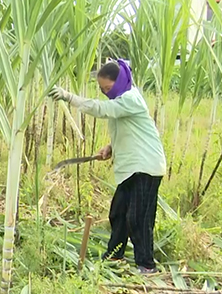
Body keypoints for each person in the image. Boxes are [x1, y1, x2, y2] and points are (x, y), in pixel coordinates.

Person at [50, 59, 166, 274]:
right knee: (118, 213)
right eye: (102, 90)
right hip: (131, 166)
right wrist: (110, 147)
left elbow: (102, 109)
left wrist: (68, 97)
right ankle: (114, 257)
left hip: (145, 166)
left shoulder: (130, 99)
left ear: (120, 81)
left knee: (138, 217)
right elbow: (131, 129)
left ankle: (147, 266)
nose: (105, 93)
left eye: (107, 88)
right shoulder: (122, 99)